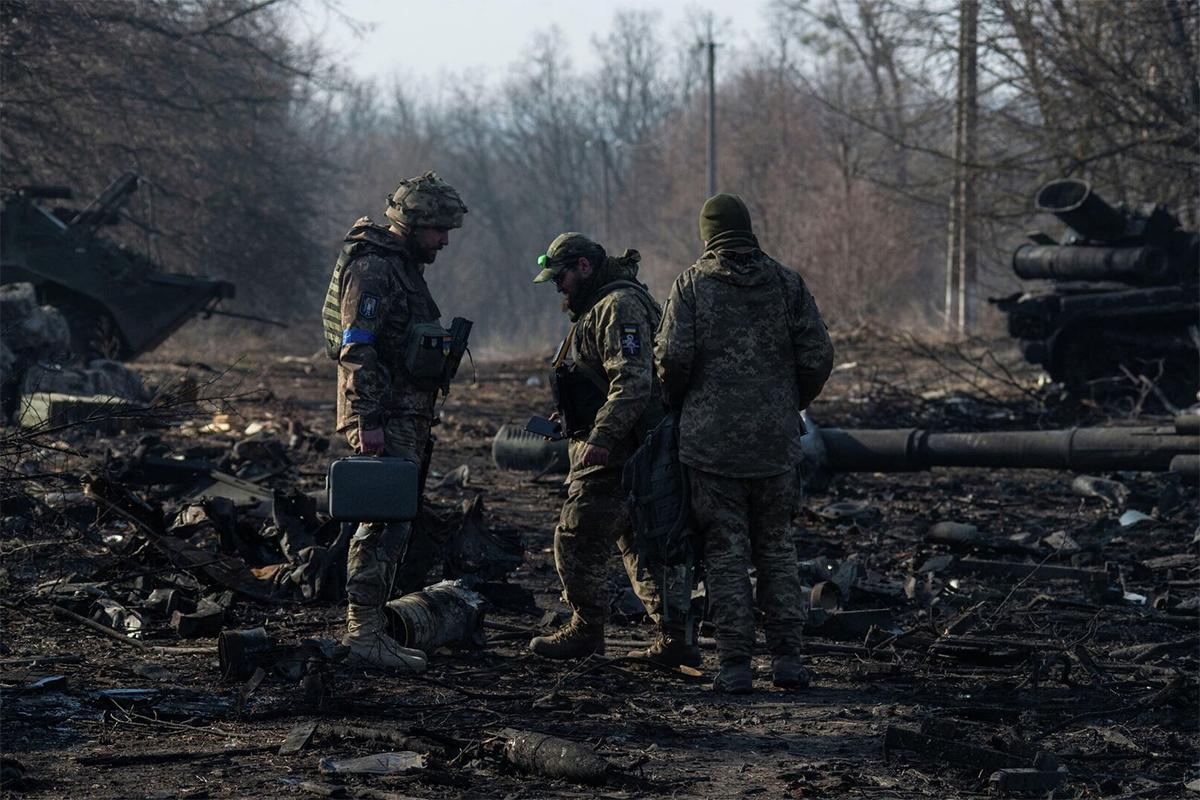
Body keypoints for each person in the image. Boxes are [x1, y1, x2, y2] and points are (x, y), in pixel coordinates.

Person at [655, 194, 834, 693]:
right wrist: (787, 400)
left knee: (725, 550)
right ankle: (788, 661)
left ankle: (735, 666)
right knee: (777, 547)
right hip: (776, 444)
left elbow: (671, 356)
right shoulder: (785, 283)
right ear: (747, 228)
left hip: (711, 449)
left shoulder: (691, 286)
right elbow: (818, 353)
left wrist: (680, 402)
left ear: (707, 233)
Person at [528, 232, 699, 667]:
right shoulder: (598, 307)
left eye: (561, 276)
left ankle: (586, 629)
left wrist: (601, 438)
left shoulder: (617, 306)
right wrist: (574, 422)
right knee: (637, 541)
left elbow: (633, 381)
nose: (557, 286)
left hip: (623, 448)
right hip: (623, 443)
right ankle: (674, 638)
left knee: (577, 534)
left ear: (584, 267)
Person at [322, 171, 468, 671]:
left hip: (404, 413)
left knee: (396, 521)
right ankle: (363, 634)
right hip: (383, 416)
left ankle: (373, 627)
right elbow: (356, 346)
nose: (444, 241)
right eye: (438, 230)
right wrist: (367, 419)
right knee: (380, 523)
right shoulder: (375, 268)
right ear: (414, 223)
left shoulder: (403, 267)